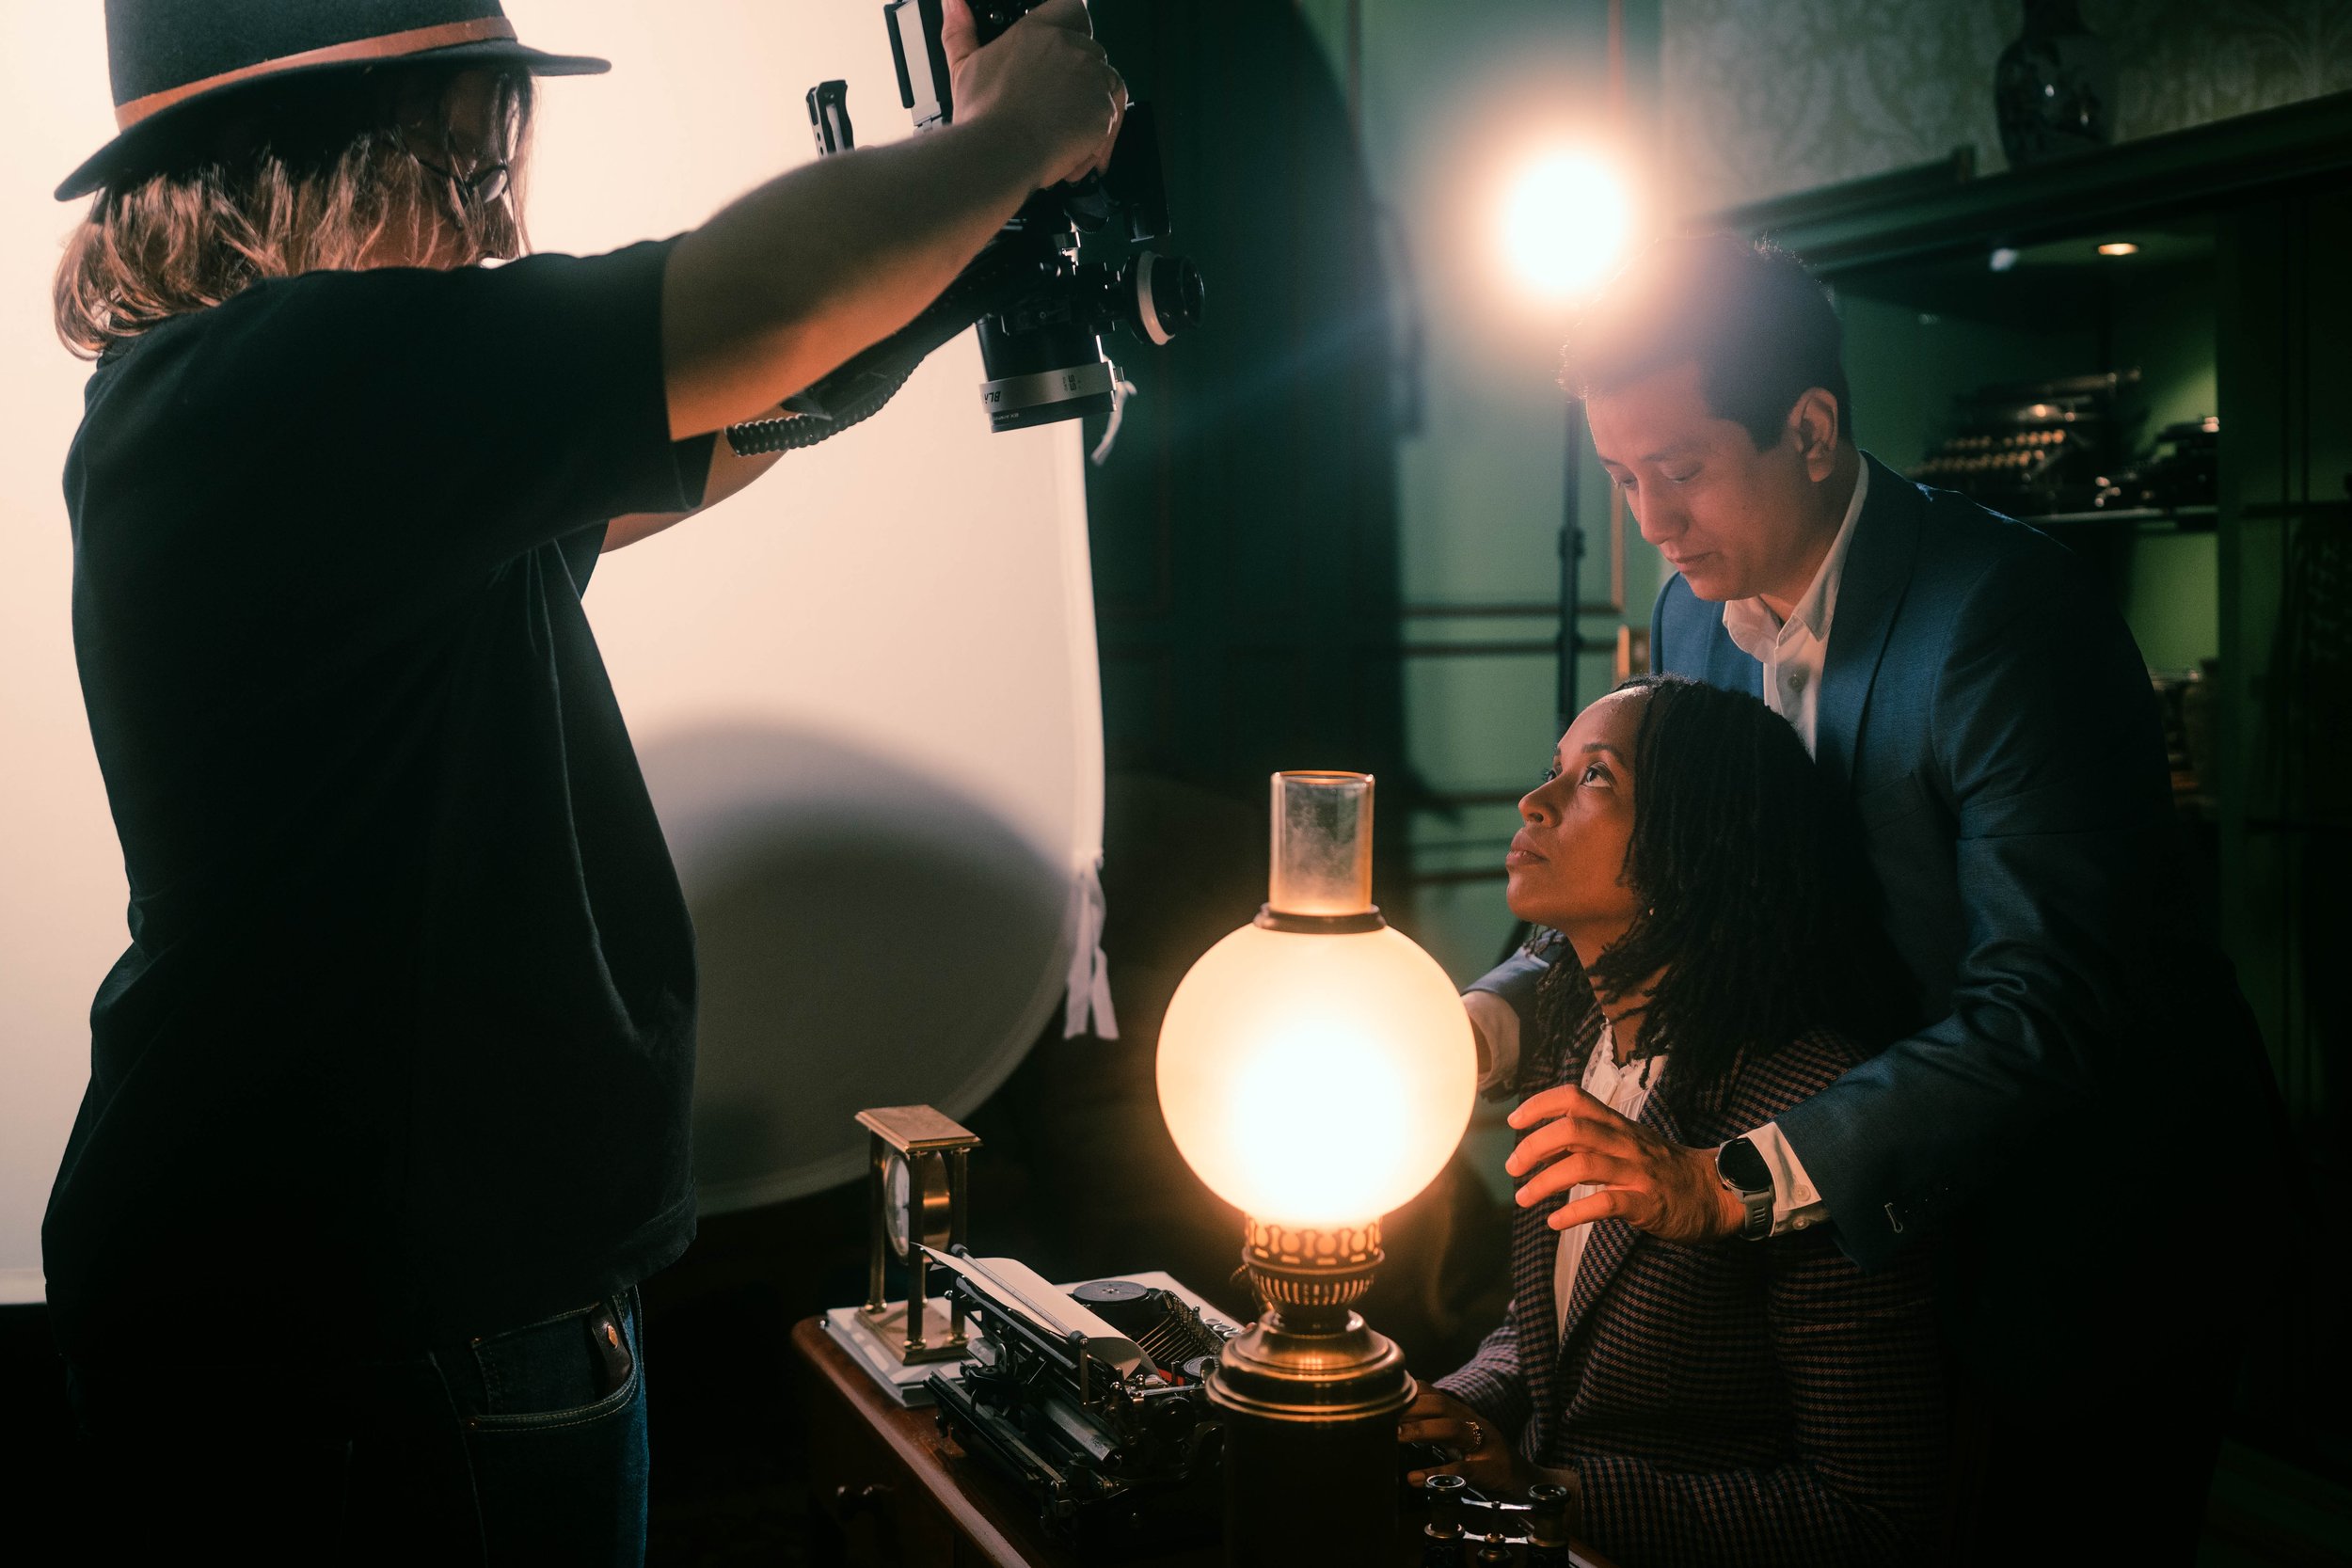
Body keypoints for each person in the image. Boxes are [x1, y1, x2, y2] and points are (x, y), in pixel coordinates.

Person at [43, 0, 1122, 1560]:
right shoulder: (284, 384)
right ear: (307, 163)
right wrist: (1010, 134)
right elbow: (752, 311)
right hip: (390, 1334)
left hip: (386, 1309)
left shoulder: (297, 429)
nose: (497, 221)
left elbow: (748, 404)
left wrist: (979, 227)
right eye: (464, 161)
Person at [1456, 235, 2295, 1562]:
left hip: (2099, 1196)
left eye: (1680, 468)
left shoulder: (2006, 616)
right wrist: (1487, 1020)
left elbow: (2046, 1005)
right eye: (1623, 477)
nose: (1655, 522)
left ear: (1809, 427)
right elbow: (1696, 888)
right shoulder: (1691, 619)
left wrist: (1735, 1182)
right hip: (1882, 1192)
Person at [1403, 676, 1946, 1567]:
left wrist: (1548, 1493)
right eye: (1553, 769)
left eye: (1595, 779)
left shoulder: (1813, 1110)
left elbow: (1867, 1517)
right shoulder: (1579, 1041)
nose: (1532, 802)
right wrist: (1459, 1411)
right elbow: (1545, 1335)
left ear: (1695, 843)